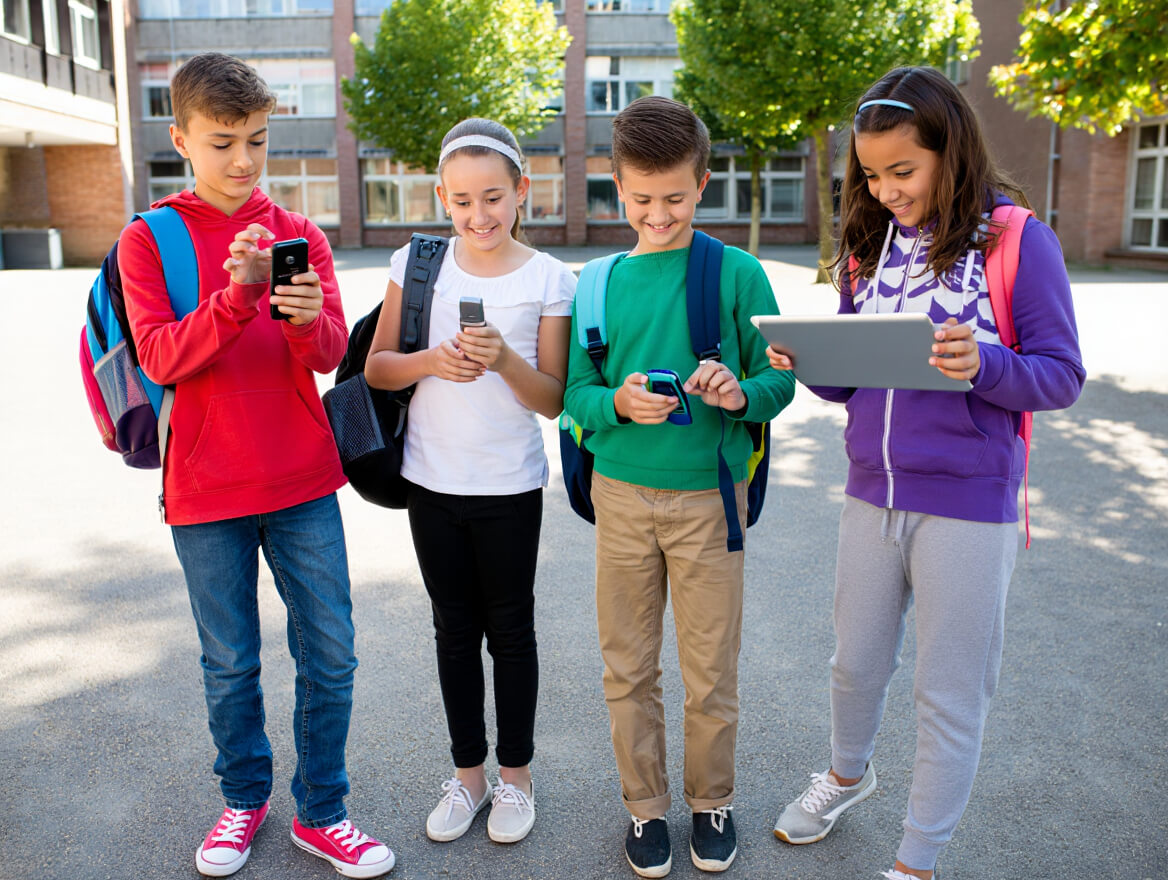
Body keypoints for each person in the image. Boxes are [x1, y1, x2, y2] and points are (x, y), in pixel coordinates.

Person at [768, 66, 1085, 880]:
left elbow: (1059, 375)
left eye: (901, 171)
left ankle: (918, 862)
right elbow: (851, 383)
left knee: (948, 693)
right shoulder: (866, 246)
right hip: (871, 492)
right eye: (869, 175)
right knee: (854, 663)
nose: (883, 191)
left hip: (970, 505)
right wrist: (807, 359)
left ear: (952, 152)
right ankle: (846, 776)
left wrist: (983, 363)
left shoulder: (1018, 240)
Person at [119, 52, 394, 879]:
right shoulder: (149, 238)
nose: (243, 161)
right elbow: (161, 357)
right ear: (181, 140)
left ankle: (323, 811)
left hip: (302, 479)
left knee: (332, 652)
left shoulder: (299, 233)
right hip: (204, 489)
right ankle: (243, 799)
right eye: (223, 141)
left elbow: (330, 352)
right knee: (230, 660)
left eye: (259, 141)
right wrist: (237, 298)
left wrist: (309, 317)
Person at [563, 96, 796, 878]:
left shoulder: (737, 272)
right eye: (640, 197)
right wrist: (617, 403)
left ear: (702, 184)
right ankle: (644, 810)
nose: (657, 213)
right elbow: (574, 397)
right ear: (616, 188)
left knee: (710, 670)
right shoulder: (595, 283)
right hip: (620, 499)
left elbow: (779, 383)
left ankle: (711, 802)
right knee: (626, 668)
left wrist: (739, 393)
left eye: (674, 196)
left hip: (710, 501)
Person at [364, 118, 574, 846]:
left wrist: (503, 362)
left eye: (493, 197)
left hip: (510, 486)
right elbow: (378, 368)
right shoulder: (416, 263)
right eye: (461, 201)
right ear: (441, 198)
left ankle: (515, 779)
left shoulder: (551, 278)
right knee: (453, 632)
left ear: (522, 191)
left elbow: (552, 397)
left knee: (511, 632)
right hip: (430, 481)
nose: (478, 216)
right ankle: (469, 778)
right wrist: (434, 361)